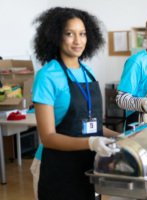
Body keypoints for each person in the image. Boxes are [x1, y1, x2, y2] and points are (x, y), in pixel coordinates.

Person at [30, 7, 119, 200]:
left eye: (82, 34)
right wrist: (91, 142)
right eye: (69, 34)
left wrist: (122, 137)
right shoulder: (47, 76)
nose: (78, 41)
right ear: (55, 36)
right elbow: (48, 137)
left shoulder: (88, 71)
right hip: (55, 168)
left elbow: (93, 127)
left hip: (87, 165)